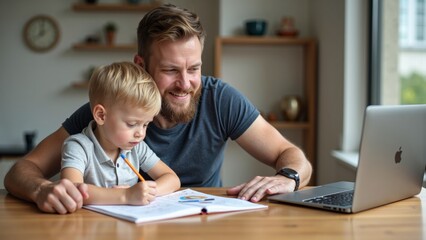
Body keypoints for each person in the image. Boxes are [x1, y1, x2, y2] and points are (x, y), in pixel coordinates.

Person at [5, 3, 312, 214]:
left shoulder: (220, 99)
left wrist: (288, 176)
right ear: (142, 65)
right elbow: (20, 171)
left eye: (194, 68)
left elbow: (293, 157)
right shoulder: (110, 113)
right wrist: (40, 190)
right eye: (170, 70)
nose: (186, 83)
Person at [60, 62, 180, 206]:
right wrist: (125, 195)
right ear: (101, 115)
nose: (140, 133)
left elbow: (172, 179)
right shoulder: (78, 147)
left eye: (146, 124)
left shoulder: (137, 148)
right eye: (131, 124)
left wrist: (148, 191)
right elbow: (72, 191)